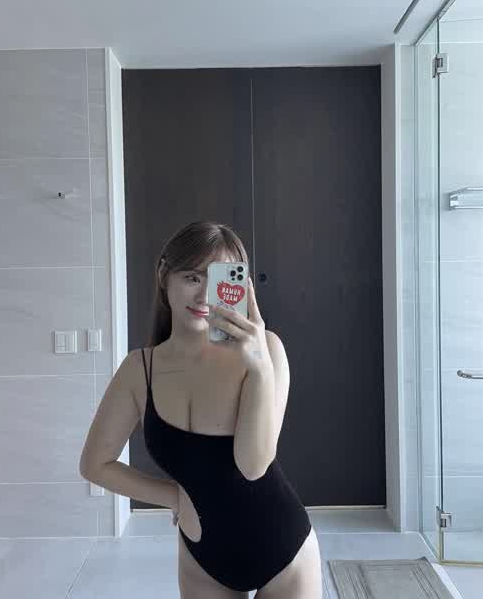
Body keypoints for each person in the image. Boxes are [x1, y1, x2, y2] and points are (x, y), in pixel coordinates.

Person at [80, 220, 323, 598]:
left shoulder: (267, 350)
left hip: (282, 549)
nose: (205, 295)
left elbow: (253, 466)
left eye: (220, 279)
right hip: (201, 559)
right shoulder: (139, 370)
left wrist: (259, 367)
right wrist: (175, 496)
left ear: (239, 286)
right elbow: (95, 464)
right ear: (165, 275)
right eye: (192, 277)